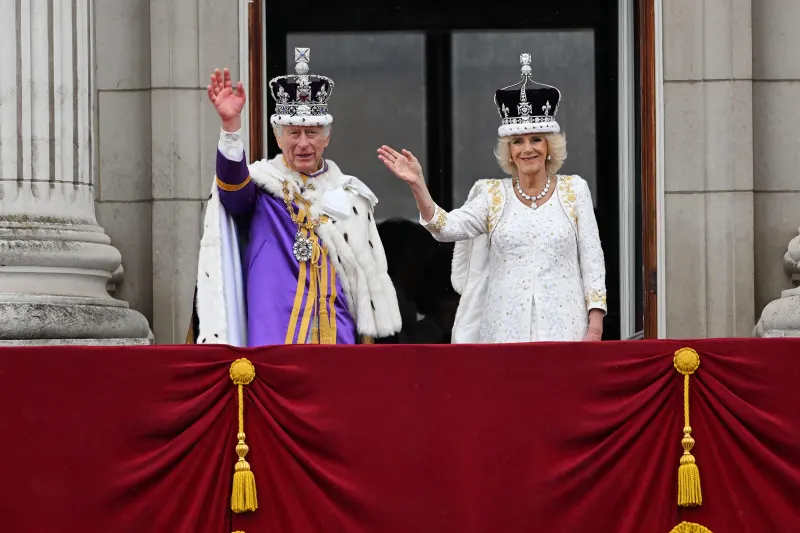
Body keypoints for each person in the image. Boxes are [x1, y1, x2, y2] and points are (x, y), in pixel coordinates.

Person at [378, 53, 606, 344]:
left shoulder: (574, 190)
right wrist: (418, 184)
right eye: (518, 142)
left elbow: (592, 261)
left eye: (536, 139)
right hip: (504, 332)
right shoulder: (492, 195)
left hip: (566, 330)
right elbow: (446, 228)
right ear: (509, 151)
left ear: (550, 145)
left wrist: (595, 328)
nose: (528, 149)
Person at [192, 47, 401, 346]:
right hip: (274, 336)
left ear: (327, 137)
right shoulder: (263, 186)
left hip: (336, 336)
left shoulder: (350, 195)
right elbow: (233, 190)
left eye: (312, 132)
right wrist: (230, 129)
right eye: (293, 133)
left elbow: (364, 284)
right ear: (278, 137)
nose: (303, 143)